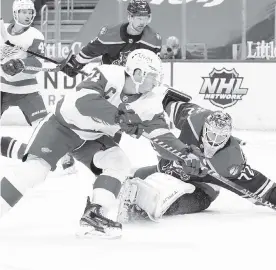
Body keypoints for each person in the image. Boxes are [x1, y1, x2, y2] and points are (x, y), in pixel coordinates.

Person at [0, 49, 203, 239]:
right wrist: (118, 116)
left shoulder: (149, 102)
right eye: (152, 76)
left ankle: (94, 215)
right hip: (61, 126)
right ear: (138, 73)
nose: (156, 82)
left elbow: (161, 136)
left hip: (93, 137)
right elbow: (84, 102)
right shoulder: (109, 74)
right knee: (34, 170)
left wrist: (184, 154)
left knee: (118, 163)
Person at [120, 99, 276, 221]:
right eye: (212, 135)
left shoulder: (230, 160)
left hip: (202, 190)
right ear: (205, 129)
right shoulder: (195, 120)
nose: (215, 142)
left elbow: (256, 186)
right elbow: (172, 105)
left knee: (183, 202)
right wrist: (147, 102)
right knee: (130, 178)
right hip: (168, 171)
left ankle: (147, 207)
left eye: (222, 138)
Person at [0, 0, 75, 174]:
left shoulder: (35, 35)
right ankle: (24, 153)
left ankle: (65, 158)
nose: (28, 15)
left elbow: (38, 64)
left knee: (44, 127)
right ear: (15, 13)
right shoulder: (2, 31)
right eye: (24, 12)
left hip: (27, 90)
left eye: (30, 12)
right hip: (2, 88)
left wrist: (21, 64)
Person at [61, 0, 162, 78]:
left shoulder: (153, 40)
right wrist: (75, 64)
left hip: (135, 85)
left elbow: (154, 68)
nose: (142, 22)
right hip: (109, 80)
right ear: (130, 17)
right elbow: (89, 52)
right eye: (139, 18)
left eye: (146, 18)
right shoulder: (109, 34)